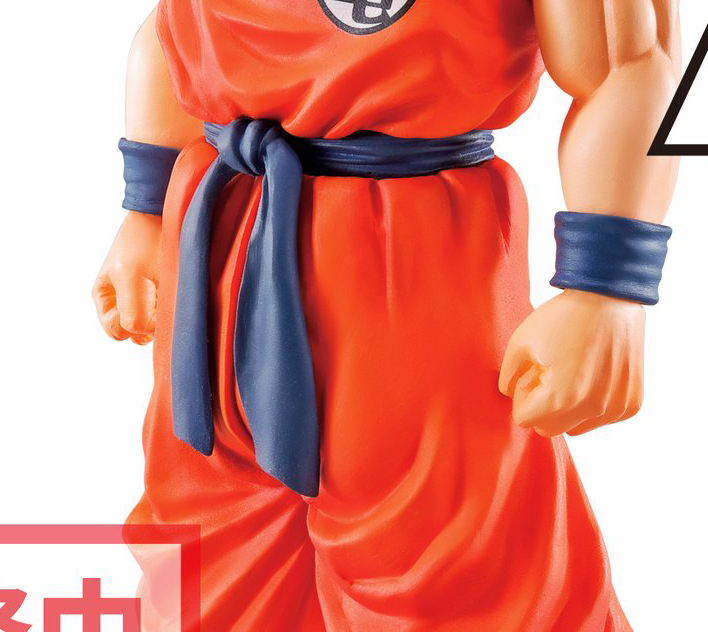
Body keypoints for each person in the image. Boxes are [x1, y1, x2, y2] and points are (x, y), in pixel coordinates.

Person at [92, 0, 680, 629]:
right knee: (205, 559)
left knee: (449, 581)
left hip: (409, 262)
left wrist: (607, 284)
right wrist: (145, 209)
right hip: (214, 252)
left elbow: (629, 63)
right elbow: (171, 28)